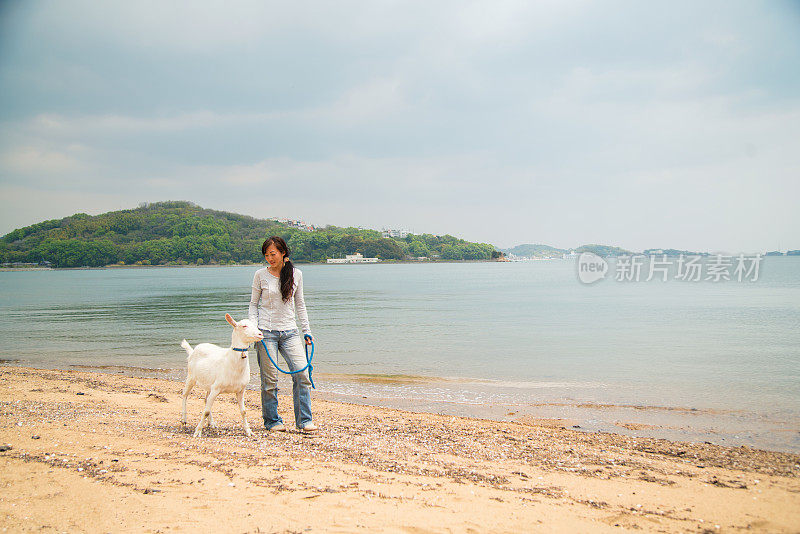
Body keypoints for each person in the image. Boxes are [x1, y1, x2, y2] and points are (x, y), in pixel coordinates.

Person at [248, 236, 316, 432]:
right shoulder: (260, 275)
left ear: (283, 252)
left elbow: (300, 305)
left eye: (273, 254)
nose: (270, 258)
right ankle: (272, 421)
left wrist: (307, 331)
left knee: (302, 373)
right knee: (270, 380)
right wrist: (254, 328)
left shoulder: (296, 274)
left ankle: (304, 420)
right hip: (265, 333)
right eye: (267, 255)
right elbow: (253, 305)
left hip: (290, 333)